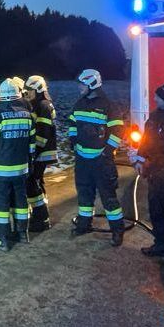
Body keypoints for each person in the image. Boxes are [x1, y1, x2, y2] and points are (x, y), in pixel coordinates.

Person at [68, 68, 126, 246]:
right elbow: (72, 123)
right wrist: (73, 141)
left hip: (101, 161)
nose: (79, 87)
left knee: (108, 197)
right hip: (83, 160)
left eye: (82, 84)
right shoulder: (79, 104)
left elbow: (118, 130)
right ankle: (84, 224)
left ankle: (117, 230)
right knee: (84, 194)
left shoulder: (109, 106)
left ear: (92, 84)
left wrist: (107, 151)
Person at [130, 83, 164, 260]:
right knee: (156, 209)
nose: (154, 99)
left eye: (158, 97)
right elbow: (146, 140)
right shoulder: (154, 117)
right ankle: (161, 244)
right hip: (155, 172)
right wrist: (140, 159)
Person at [0, 77, 36, 251]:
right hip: (21, 170)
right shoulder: (28, 115)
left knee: (2, 205)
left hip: (0, 171)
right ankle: (22, 234)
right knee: (20, 201)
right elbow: (32, 146)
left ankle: (2, 239)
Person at [24, 74, 57, 232]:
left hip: (41, 153)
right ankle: (41, 215)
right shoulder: (41, 104)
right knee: (36, 182)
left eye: (29, 89)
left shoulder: (42, 105)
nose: (27, 92)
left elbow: (42, 134)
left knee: (32, 183)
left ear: (38, 89)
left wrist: (33, 153)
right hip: (41, 153)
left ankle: (41, 218)